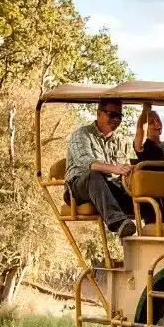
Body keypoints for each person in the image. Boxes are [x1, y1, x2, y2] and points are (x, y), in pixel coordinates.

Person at [64, 98, 140, 238]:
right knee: (94, 175)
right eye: (112, 114)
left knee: (144, 195)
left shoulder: (121, 141)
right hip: (78, 188)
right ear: (99, 114)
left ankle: (163, 233)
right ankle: (118, 223)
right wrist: (115, 168)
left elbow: (123, 171)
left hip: (109, 187)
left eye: (119, 116)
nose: (116, 119)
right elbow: (87, 163)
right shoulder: (82, 134)